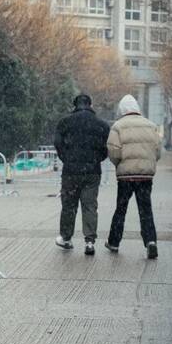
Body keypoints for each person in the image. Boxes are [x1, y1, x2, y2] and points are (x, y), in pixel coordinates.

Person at [105, 94, 161, 259]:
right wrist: (147, 163)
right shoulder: (151, 125)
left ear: (122, 110)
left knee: (121, 209)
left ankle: (114, 242)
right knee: (146, 210)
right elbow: (157, 151)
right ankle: (151, 241)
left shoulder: (118, 127)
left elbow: (113, 151)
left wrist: (120, 164)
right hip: (145, 176)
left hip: (125, 177)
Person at [54, 94, 110, 255]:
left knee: (69, 206)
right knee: (90, 205)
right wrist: (97, 159)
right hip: (92, 171)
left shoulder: (65, 123)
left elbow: (58, 143)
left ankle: (66, 238)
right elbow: (107, 147)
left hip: (71, 171)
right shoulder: (101, 125)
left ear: (75, 105)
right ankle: (90, 241)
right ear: (90, 104)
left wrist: (67, 158)